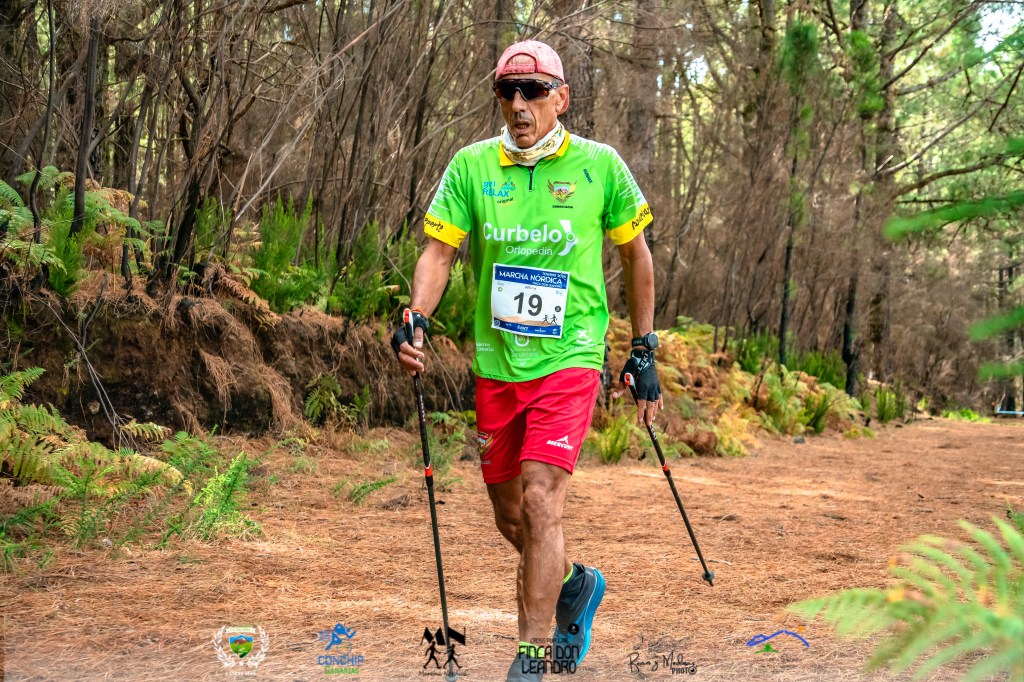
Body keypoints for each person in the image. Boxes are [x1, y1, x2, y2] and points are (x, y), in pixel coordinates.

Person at [391, 40, 663, 681]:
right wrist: (416, 316)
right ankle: (574, 585)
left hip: (569, 359)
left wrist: (643, 346)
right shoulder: (471, 167)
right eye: (508, 92)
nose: (519, 104)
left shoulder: (601, 167)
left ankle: (532, 655)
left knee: (543, 502)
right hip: (499, 364)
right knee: (512, 516)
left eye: (534, 91)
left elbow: (636, 256)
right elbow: (438, 253)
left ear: (560, 98)